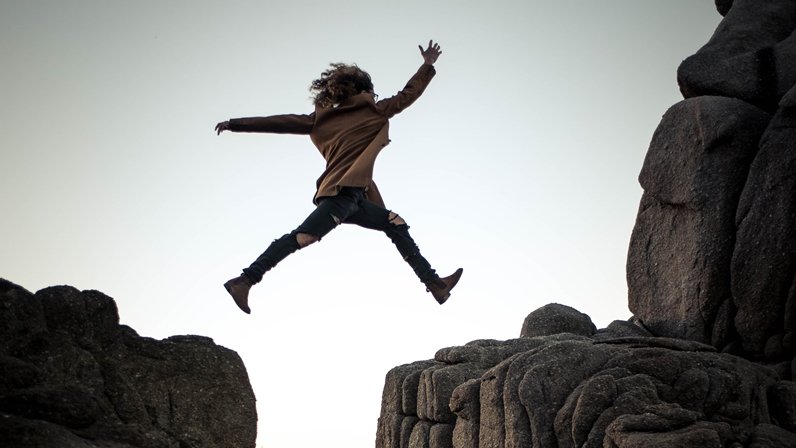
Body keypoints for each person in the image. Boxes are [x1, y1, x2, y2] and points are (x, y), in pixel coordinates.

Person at [215, 40, 462, 314]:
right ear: (364, 90)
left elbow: (278, 121)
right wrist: (427, 65)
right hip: (340, 195)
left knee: (395, 223)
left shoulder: (320, 119)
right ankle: (245, 280)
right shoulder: (374, 110)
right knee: (303, 237)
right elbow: (408, 94)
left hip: (355, 197)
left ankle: (435, 284)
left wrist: (236, 124)